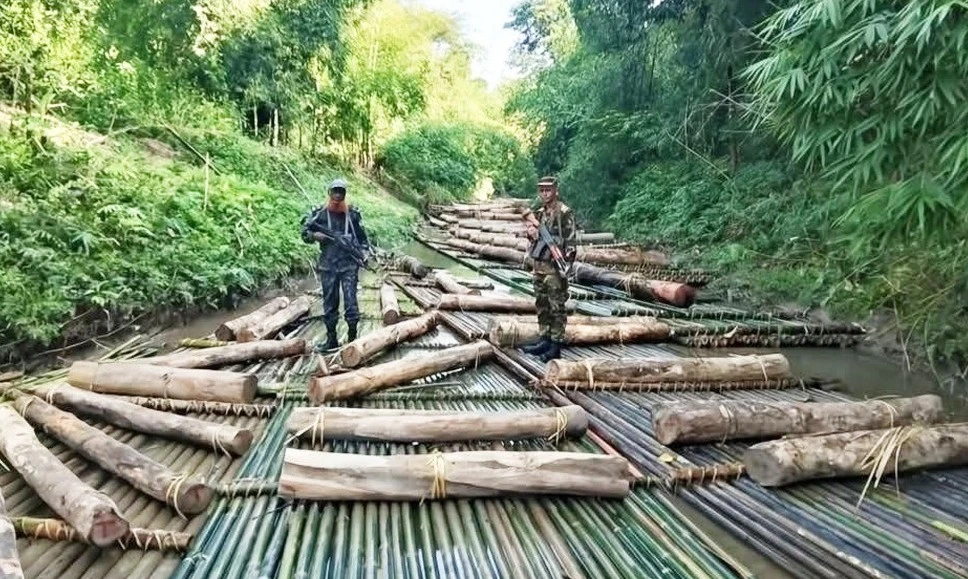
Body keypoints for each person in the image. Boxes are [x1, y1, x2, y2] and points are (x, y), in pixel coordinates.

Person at [301, 178, 370, 350]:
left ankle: (352, 339)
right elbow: (304, 232)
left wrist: (365, 255)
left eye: (341, 191)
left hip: (349, 265)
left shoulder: (353, 215)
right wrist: (315, 236)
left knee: (351, 303)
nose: (338, 195)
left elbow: (363, 240)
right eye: (335, 191)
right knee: (330, 304)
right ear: (329, 193)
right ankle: (331, 340)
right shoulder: (319, 214)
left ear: (345, 194)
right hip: (328, 265)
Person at [522, 176, 575, 361]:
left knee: (556, 307)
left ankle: (556, 345)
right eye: (542, 190)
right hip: (538, 266)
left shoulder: (564, 212)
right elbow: (532, 239)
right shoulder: (538, 213)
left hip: (554, 268)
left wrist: (566, 264)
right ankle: (544, 338)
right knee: (541, 304)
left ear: (555, 190)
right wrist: (531, 234)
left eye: (548, 190)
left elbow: (570, 242)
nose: (545, 193)